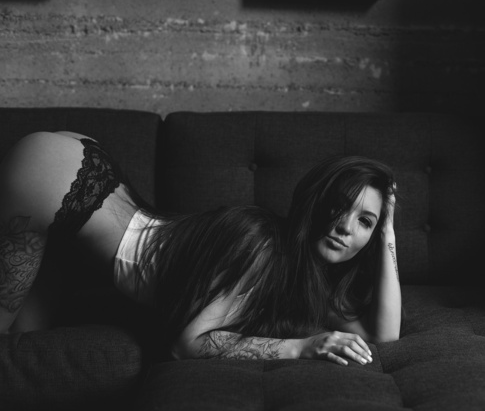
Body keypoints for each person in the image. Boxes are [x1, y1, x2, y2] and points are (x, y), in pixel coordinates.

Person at [0, 132, 400, 366]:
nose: (346, 227)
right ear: (315, 203)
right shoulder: (262, 245)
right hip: (55, 178)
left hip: (74, 188)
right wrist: (302, 347)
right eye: (339, 207)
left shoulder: (306, 280)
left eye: (365, 221)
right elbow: (186, 344)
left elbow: (382, 334)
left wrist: (388, 233)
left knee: (25, 340)